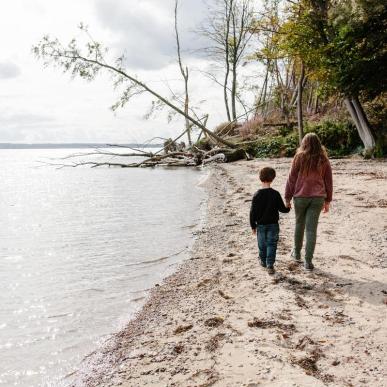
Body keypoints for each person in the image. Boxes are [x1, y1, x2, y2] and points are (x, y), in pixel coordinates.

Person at [285, 133, 333, 271]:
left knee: (299, 224)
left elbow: (291, 179)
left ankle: (297, 254)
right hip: (318, 198)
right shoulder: (323, 159)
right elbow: (328, 181)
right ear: (318, 144)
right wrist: (328, 200)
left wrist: (287, 197)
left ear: (304, 143)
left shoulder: (299, 157)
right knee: (312, 229)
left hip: (300, 197)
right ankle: (308, 261)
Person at [250, 167, 291, 275]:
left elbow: (252, 212)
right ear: (273, 178)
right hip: (273, 225)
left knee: (262, 244)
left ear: (260, 178)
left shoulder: (257, 195)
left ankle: (263, 261)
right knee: (272, 244)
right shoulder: (275, 194)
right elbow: (283, 209)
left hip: (261, 225)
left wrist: (253, 226)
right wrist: (288, 207)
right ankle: (270, 264)